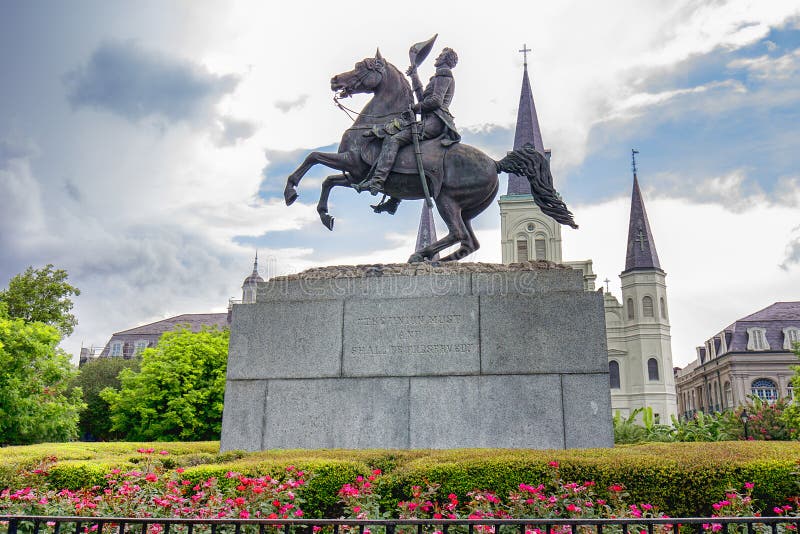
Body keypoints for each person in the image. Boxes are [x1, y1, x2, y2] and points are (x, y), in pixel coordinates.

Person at [360, 47, 460, 196]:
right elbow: (423, 98)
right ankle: (394, 197)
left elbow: (436, 101)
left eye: (441, 55)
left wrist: (414, 108)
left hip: (435, 122)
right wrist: (414, 76)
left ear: (446, 59)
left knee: (394, 140)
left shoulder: (444, 73)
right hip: (430, 120)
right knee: (402, 142)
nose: (437, 57)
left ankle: (377, 182)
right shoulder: (438, 77)